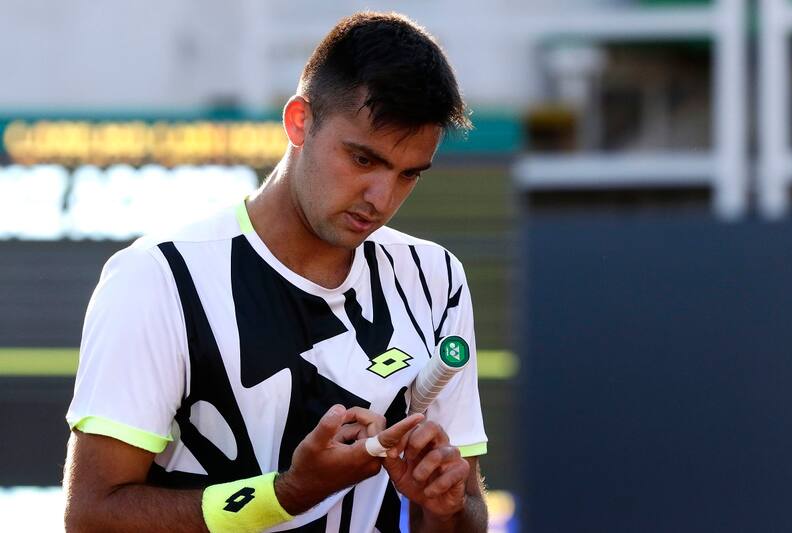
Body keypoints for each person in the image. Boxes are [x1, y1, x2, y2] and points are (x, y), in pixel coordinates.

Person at [63, 11, 488, 533]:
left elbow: (462, 515)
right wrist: (287, 495)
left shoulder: (436, 278)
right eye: (362, 160)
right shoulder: (156, 278)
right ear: (299, 122)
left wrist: (444, 507)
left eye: (408, 176)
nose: (381, 199)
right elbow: (92, 517)